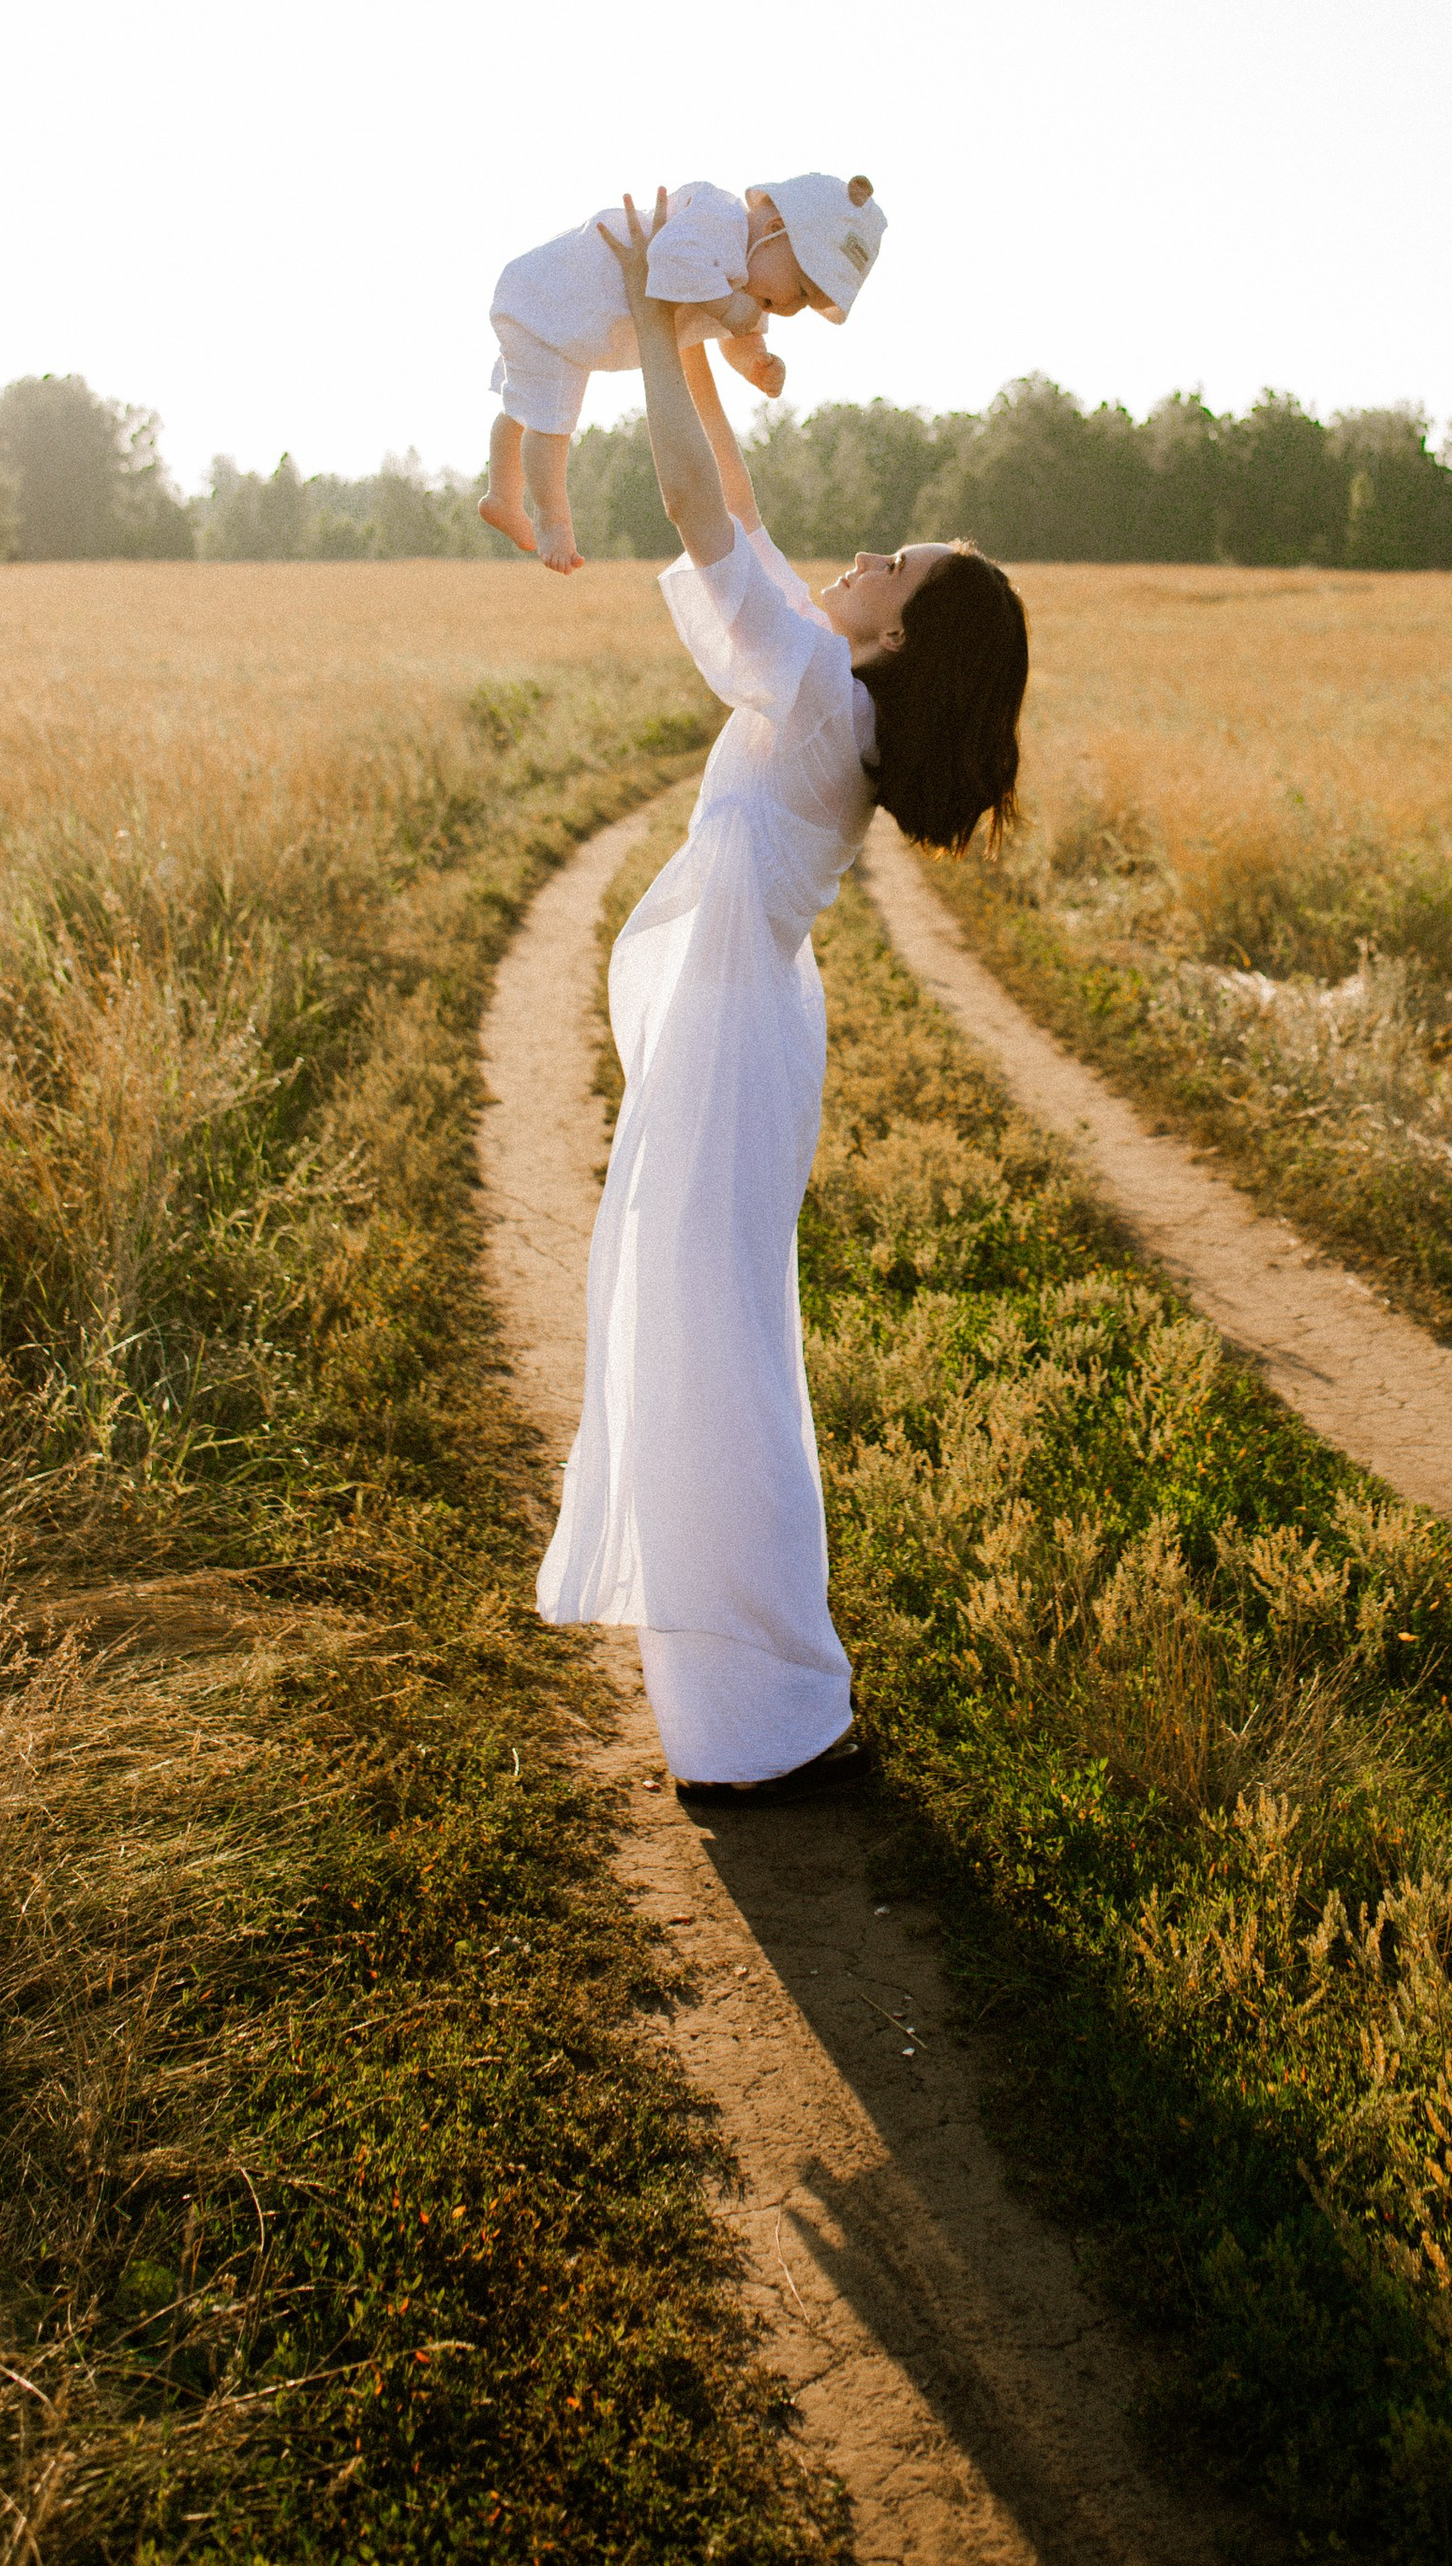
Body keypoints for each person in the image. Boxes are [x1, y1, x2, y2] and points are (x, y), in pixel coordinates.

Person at [534, 188, 1028, 1800]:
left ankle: (762, 1716)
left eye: (897, 564)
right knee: (711, 1330)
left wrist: (655, 324)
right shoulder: (833, 686)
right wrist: (683, 327)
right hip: (744, 1024)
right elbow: (736, 503)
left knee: (713, 1343)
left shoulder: (818, 691)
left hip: (739, 1035)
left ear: (900, 636)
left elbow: (694, 502)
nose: (866, 554)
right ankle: (758, 1701)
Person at [480, 174, 886, 571]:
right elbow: (668, 258)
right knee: (551, 422)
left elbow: (738, 336)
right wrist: (728, 306)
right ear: (775, 229)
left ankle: (502, 497)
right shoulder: (720, 220)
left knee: (523, 411)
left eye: (806, 305)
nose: (792, 309)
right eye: (800, 290)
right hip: (554, 300)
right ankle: (553, 519)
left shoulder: (748, 286)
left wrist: (755, 363)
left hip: (567, 323)